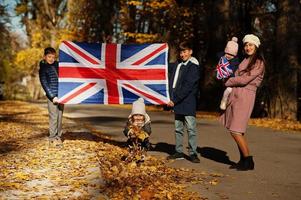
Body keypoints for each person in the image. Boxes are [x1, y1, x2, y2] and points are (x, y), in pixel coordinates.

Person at [220, 34, 265, 170]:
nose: (248, 47)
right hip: (236, 94)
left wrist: (228, 81)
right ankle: (242, 160)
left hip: (246, 95)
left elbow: (245, 79)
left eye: (251, 45)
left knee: (236, 130)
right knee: (237, 129)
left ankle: (248, 160)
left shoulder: (258, 62)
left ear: (256, 46)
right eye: (246, 45)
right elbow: (236, 75)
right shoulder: (244, 60)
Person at [166, 42, 201, 163]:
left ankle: (193, 153)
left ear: (190, 52)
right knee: (178, 128)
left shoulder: (193, 66)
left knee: (191, 129)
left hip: (187, 101)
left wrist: (174, 100)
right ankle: (178, 151)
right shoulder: (178, 64)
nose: (182, 54)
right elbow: (165, 67)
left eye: (185, 51)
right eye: (181, 52)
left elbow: (188, 86)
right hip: (177, 101)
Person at [39, 47, 64, 147]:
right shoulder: (43, 69)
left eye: (53, 57)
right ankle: (52, 138)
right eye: (49, 57)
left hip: (62, 95)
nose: (51, 59)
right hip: (52, 97)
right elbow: (44, 84)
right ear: (45, 57)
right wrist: (52, 96)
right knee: (53, 117)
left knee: (60, 117)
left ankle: (59, 137)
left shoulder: (58, 65)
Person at [123, 98, 151, 162]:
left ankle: (142, 154)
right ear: (132, 116)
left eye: (140, 115)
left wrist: (142, 132)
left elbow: (148, 130)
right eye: (136, 115)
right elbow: (125, 129)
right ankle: (131, 154)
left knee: (144, 145)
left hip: (143, 140)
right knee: (130, 145)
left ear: (144, 116)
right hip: (132, 140)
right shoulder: (130, 121)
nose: (138, 118)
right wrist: (130, 131)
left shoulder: (146, 122)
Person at [216, 37, 240, 110]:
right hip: (222, 77)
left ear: (235, 55)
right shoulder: (223, 57)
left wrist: (229, 75)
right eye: (227, 53)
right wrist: (224, 53)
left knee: (229, 90)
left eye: (231, 54)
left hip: (231, 79)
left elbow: (234, 71)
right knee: (223, 90)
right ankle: (223, 102)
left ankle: (224, 101)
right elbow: (217, 55)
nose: (229, 56)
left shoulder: (235, 61)